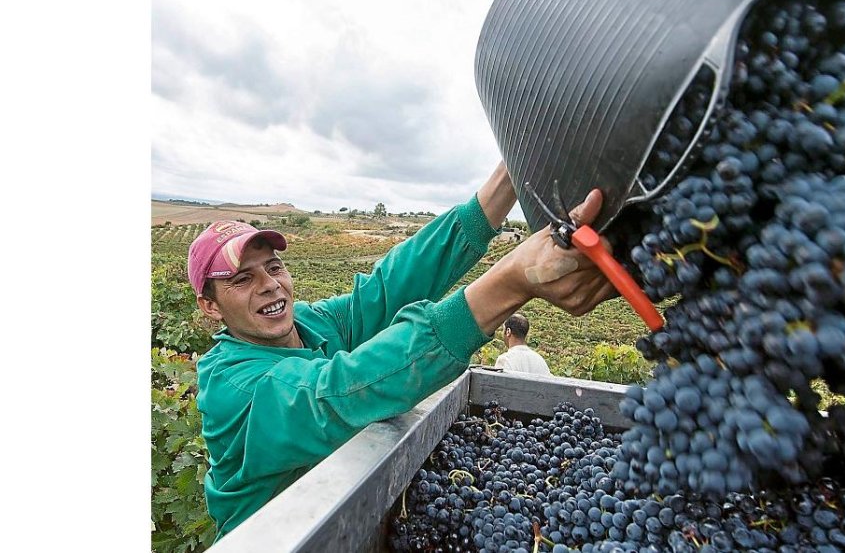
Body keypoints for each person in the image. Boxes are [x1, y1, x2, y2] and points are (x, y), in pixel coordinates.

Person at [189, 162, 615, 539]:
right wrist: (508, 283)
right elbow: (340, 391)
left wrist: (510, 175)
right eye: (242, 280)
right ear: (210, 306)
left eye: (274, 267)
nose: (269, 284)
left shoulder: (312, 324)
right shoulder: (232, 384)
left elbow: (389, 286)